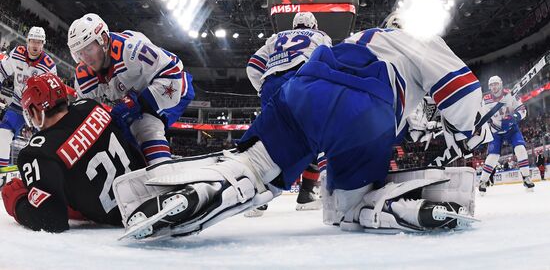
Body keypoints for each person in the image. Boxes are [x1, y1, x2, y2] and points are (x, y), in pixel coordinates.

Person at [114, 23, 491, 239]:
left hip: (304, 88)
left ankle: (204, 188)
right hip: (366, 111)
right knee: (347, 210)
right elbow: (460, 90)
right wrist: (462, 132)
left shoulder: (360, 36)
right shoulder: (418, 38)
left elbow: (259, 67)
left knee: (253, 164)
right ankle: (394, 206)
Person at [1, 73, 146, 232]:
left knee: (13, 191)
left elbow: (52, 220)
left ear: (36, 110)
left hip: (119, 218)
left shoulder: (35, 153)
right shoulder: (91, 105)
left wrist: (17, 202)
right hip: (144, 188)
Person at [67, 13, 194, 165]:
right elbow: (86, 116)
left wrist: (136, 103)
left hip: (173, 84)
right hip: (132, 95)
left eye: (88, 49)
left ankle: (162, 171)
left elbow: (172, 74)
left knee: (144, 126)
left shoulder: (130, 49)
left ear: (104, 40)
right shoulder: (82, 76)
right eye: (79, 53)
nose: (85, 58)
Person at [245, 12, 332, 214]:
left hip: (271, 84)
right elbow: (328, 64)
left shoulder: (276, 37)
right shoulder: (320, 35)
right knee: (318, 136)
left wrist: (263, 87)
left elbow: (253, 66)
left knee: (269, 144)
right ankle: (308, 194)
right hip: (301, 80)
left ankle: (258, 200)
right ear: (314, 24)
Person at [0, 27, 56, 168]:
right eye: (33, 41)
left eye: (39, 42)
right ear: (27, 41)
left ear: (43, 44)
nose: (35, 45)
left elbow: (53, 95)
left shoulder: (49, 67)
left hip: (39, 110)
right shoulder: (16, 54)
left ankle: (43, 174)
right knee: (3, 133)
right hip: (18, 104)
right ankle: (1, 173)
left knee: (47, 144)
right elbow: (1, 71)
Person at [478, 76, 533, 194]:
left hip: (511, 129)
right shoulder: (486, 99)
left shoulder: (511, 94)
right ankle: (483, 181)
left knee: (521, 149)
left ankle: (526, 177)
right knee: (492, 157)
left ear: (501, 84)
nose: (494, 87)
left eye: (496, 84)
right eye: (491, 85)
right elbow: (482, 116)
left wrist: (514, 118)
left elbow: (522, 110)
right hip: (496, 131)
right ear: (489, 87)